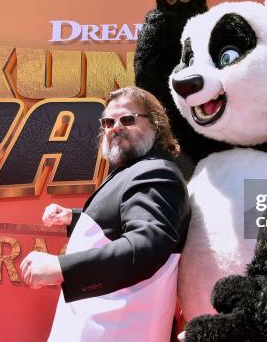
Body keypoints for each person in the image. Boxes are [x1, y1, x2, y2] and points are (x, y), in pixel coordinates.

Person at [20, 86, 191, 342]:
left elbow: (147, 245)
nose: (115, 127)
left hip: (118, 331)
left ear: (156, 125)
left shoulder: (156, 173)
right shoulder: (135, 170)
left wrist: (61, 267)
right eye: (108, 121)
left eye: (127, 119)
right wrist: (74, 217)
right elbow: (123, 220)